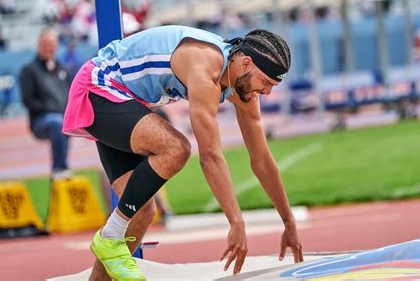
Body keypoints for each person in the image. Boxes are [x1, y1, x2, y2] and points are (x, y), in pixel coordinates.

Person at [63, 25, 303, 280]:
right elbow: (210, 157)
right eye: (266, 83)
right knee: (176, 148)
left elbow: (262, 160)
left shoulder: (240, 85)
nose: (266, 93)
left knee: (142, 212)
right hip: (99, 86)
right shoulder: (204, 69)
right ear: (246, 63)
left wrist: (288, 222)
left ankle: (105, 257)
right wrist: (236, 222)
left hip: (122, 98)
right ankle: (110, 236)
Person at [20, 29, 72, 179]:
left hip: (63, 118)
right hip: (41, 121)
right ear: (38, 45)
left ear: (56, 46)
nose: (48, 48)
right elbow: (27, 100)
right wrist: (51, 108)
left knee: (66, 123)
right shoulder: (29, 70)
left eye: (52, 44)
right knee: (57, 122)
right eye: (45, 44)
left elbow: (71, 95)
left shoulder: (63, 69)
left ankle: (62, 168)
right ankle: (60, 169)